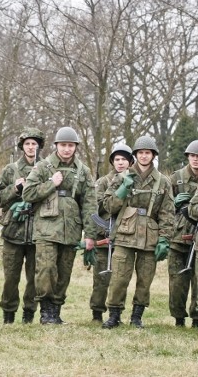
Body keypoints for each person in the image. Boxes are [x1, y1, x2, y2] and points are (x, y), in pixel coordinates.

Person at [22, 126, 96, 325]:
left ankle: (56, 310)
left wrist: (90, 235)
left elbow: (89, 204)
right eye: (63, 145)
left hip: (70, 229)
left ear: (75, 147)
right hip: (46, 228)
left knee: (64, 272)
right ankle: (46, 311)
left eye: (70, 146)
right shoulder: (43, 167)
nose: (66, 149)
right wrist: (51, 184)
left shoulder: (83, 171)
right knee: (46, 269)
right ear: (56, 146)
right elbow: (27, 193)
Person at [101, 136, 174, 329]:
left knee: (145, 279)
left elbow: (167, 213)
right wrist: (123, 189)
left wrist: (164, 239)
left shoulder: (163, 182)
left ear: (153, 155)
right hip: (125, 234)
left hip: (150, 236)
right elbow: (108, 206)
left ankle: (136, 317)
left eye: (147, 153)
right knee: (119, 277)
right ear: (135, 155)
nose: (143, 156)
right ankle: (114, 315)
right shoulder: (121, 177)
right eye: (140, 153)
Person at [0, 128, 45, 324]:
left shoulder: (46, 169)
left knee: (35, 278)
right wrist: (15, 189)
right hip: (13, 232)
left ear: (39, 146)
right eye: (27, 144)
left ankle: (29, 314)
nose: (31, 147)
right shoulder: (10, 170)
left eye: (34, 144)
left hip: (38, 232)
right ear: (22, 146)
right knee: (10, 278)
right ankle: (8, 314)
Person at [89, 145, 133, 322]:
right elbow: (97, 206)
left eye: (124, 159)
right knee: (101, 278)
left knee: (120, 279)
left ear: (130, 161)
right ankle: (97, 312)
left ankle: (116, 313)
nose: (120, 163)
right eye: (117, 159)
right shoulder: (103, 181)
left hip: (124, 235)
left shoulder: (133, 180)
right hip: (104, 235)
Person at [167, 140, 198, 327]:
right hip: (178, 236)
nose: (196, 160)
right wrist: (174, 203)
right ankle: (178, 317)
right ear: (188, 157)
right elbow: (161, 206)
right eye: (193, 156)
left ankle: (196, 318)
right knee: (177, 280)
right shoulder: (175, 178)